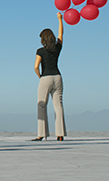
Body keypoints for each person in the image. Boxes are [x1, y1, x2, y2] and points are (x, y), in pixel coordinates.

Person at [33, 12, 66, 141]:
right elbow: (61, 34)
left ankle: (42, 134)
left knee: (42, 105)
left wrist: (39, 76)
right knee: (58, 105)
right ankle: (60, 134)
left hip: (45, 78)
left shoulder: (40, 51)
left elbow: (36, 66)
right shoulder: (57, 48)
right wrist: (60, 19)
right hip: (58, 77)